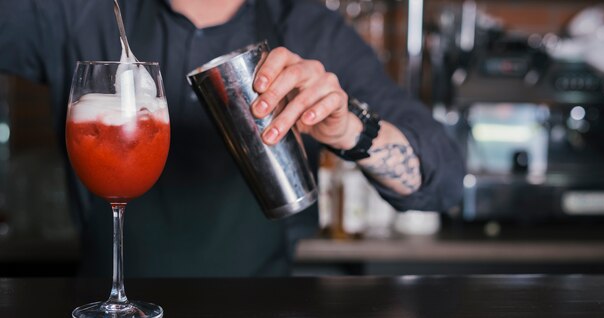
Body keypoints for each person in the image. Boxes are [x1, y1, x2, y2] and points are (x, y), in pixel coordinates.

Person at [0, 0, 464, 277]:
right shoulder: (76, 12)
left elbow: (442, 177)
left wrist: (349, 130)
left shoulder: (305, 26)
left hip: (258, 317)